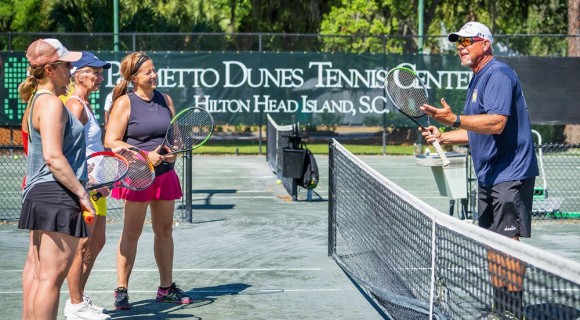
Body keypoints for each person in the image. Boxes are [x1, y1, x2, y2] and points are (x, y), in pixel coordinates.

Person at [419, 22, 539, 319]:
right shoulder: (477, 78)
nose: (461, 46)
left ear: (485, 44)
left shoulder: (497, 74)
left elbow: (496, 123)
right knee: (491, 241)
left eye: (467, 41)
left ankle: (513, 310)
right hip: (489, 175)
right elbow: (478, 131)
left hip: (510, 172)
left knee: (506, 242)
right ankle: (501, 307)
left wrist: (455, 120)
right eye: (458, 42)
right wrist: (444, 135)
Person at [104, 52, 192, 310]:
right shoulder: (124, 103)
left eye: (154, 70)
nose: (154, 75)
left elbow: (174, 136)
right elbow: (111, 141)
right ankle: (122, 289)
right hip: (138, 175)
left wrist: (174, 148)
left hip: (165, 174)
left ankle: (166, 287)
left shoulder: (165, 99)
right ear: (133, 78)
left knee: (164, 231)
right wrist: (144, 156)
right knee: (132, 232)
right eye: (147, 72)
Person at [17, 38, 93, 320]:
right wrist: (82, 195)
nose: (72, 70)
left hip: (43, 194)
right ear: (50, 69)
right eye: (66, 65)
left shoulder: (39, 100)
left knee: (39, 275)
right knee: (50, 279)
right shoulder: (50, 104)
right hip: (57, 195)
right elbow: (53, 156)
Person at [63, 51, 113, 320]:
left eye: (100, 72)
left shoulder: (87, 104)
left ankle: (79, 298)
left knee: (98, 241)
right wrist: (88, 181)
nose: (99, 77)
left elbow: (93, 147)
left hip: (98, 185)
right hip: (85, 186)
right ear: (78, 75)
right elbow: (68, 150)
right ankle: (75, 304)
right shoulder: (75, 106)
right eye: (94, 72)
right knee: (83, 244)